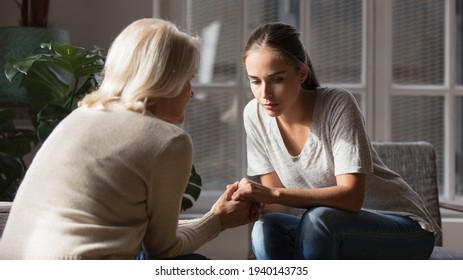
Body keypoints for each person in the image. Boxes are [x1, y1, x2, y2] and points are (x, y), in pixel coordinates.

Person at [0, 18, 259, 260]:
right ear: (165, 82)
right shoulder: (168, 140)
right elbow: (163, 250)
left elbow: (134, 228)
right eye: (187, 79)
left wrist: (214, 215)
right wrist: (218, 221)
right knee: (196, 264)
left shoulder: (81, 116)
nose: (190, 93)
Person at [231, 22, 441, 260]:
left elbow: (351, 198)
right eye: (255, 81)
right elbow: (276, 205)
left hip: (403, 229)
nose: (265, 93)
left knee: (319, 219)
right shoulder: (254, 115)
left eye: (276, 79)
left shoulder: (338, 104)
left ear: (302, 73)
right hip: (326, 231)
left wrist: (271, 194)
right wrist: (248, 202)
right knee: (266, 227)